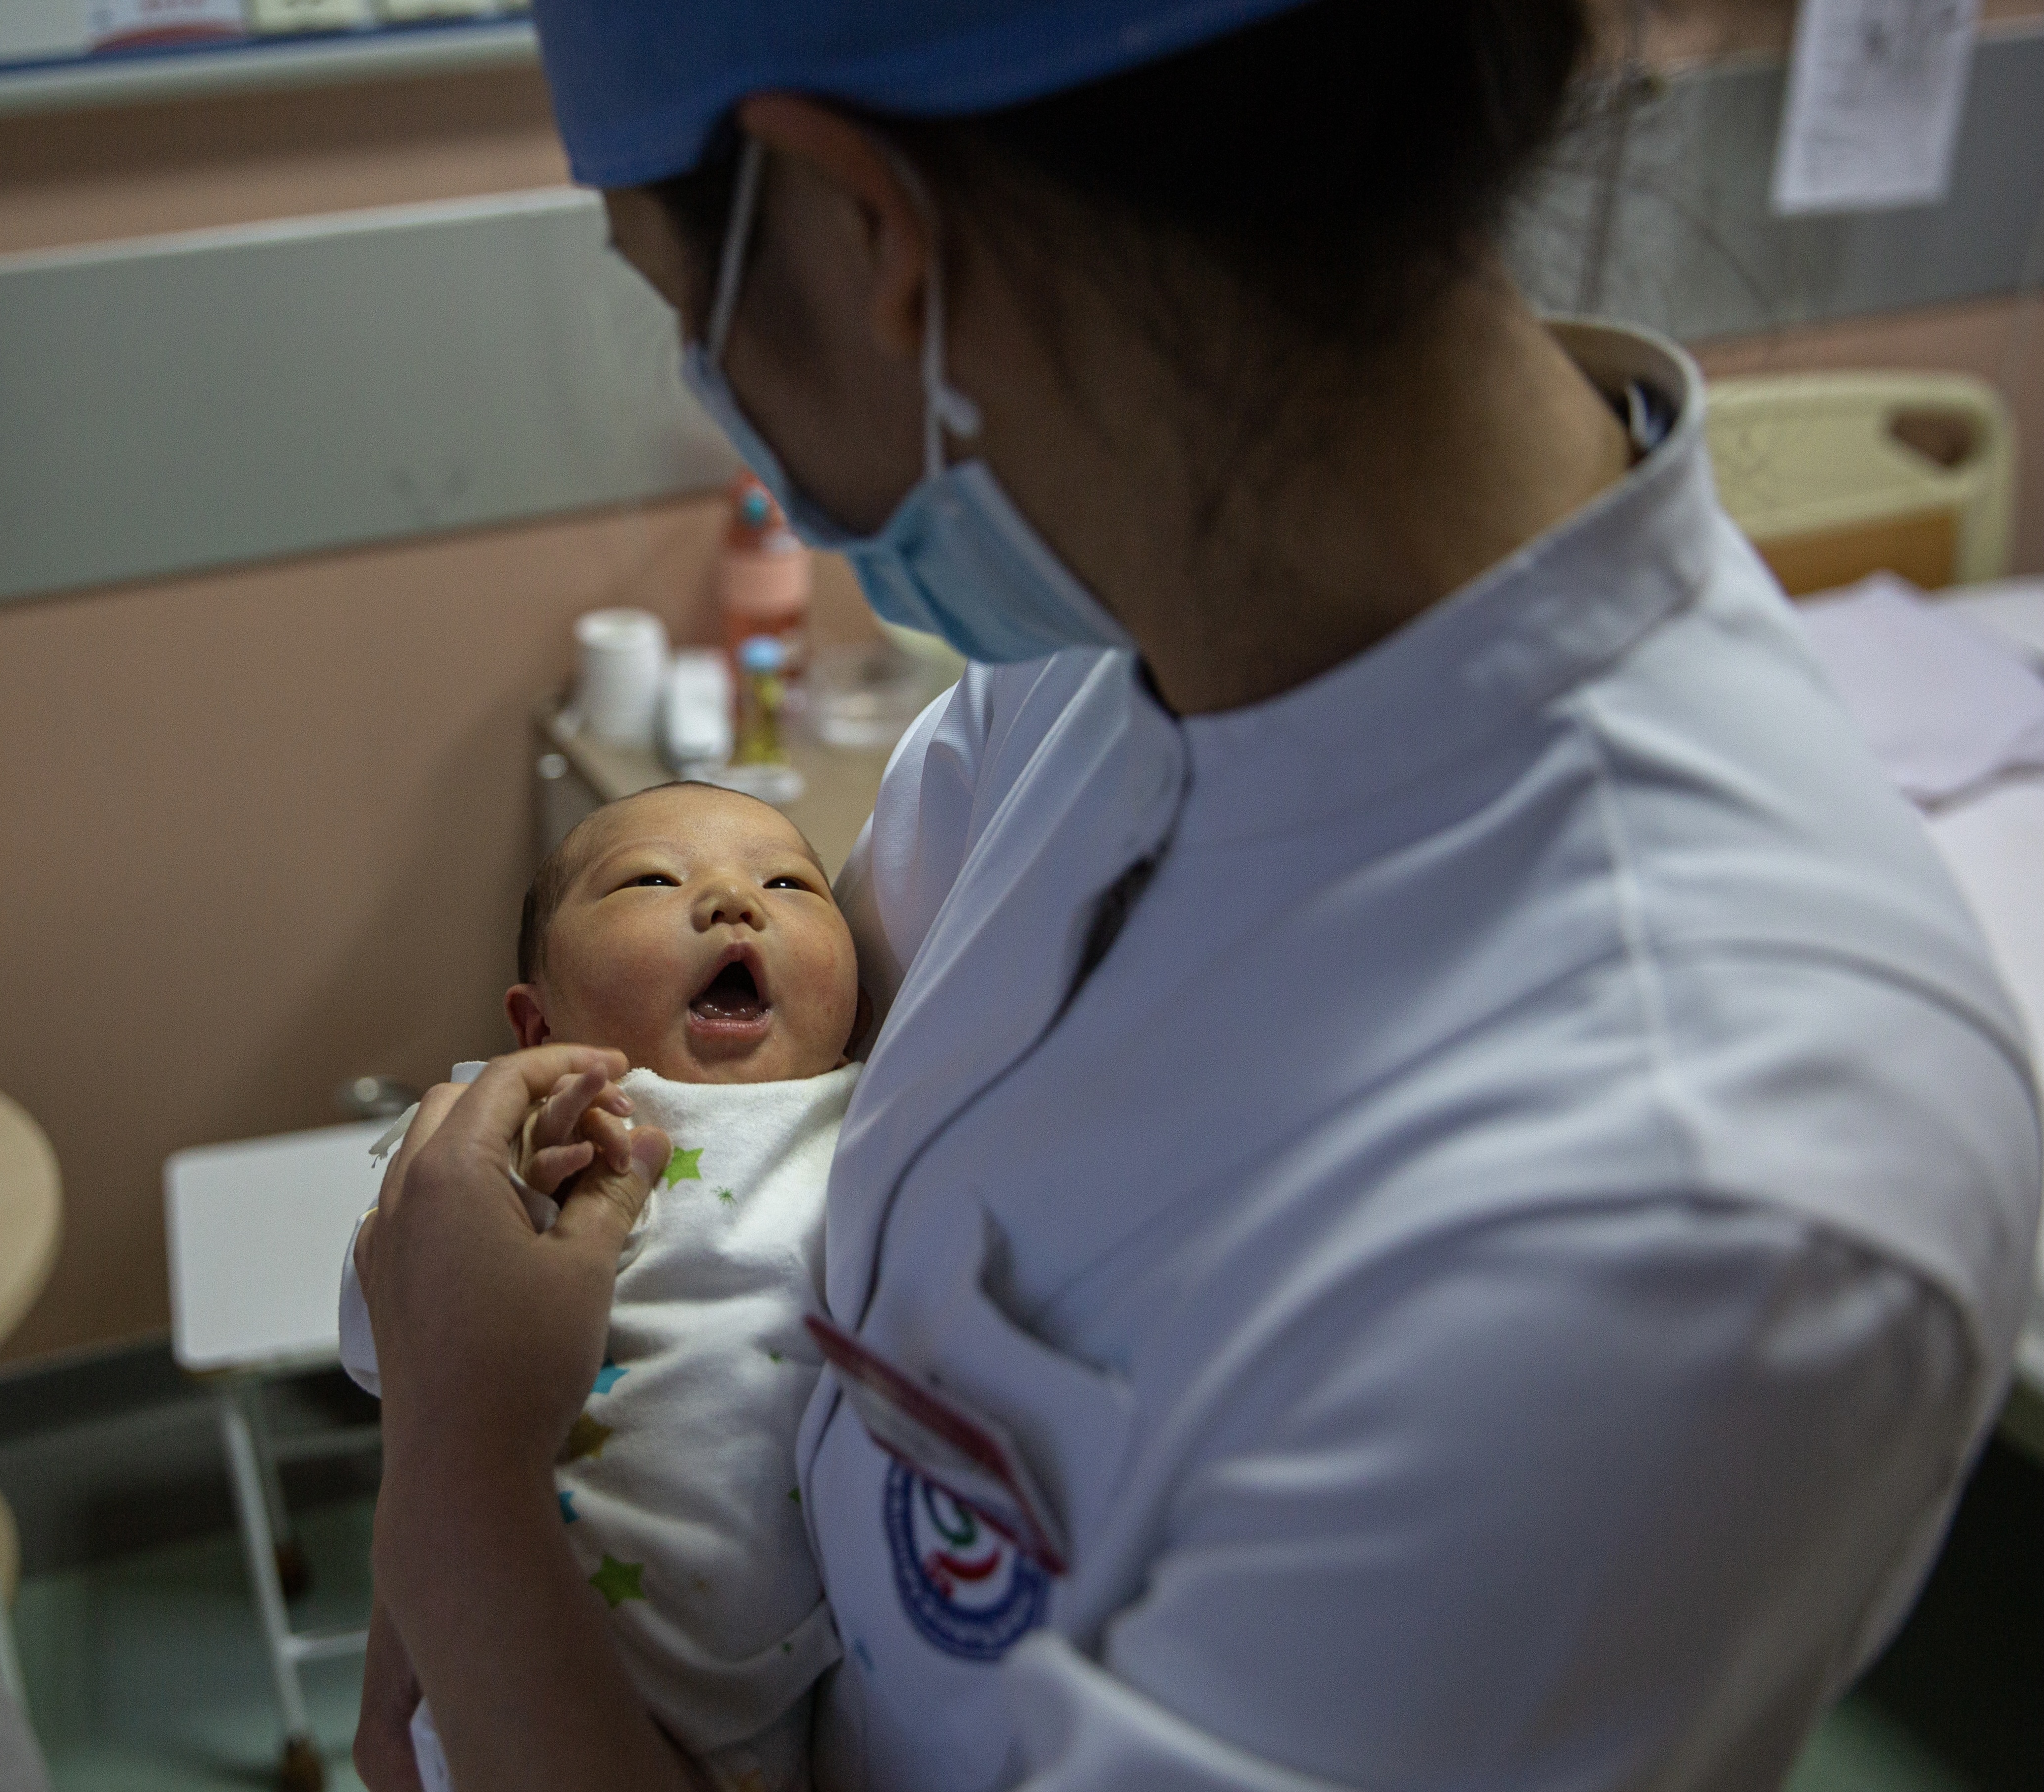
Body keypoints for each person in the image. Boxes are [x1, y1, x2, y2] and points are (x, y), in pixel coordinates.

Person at [352, 2, 2044, 1788]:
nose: (710, 375)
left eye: (678, 299)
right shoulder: (1097, 662)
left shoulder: (1687, 1208)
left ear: (868, 232)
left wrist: (458, 1494)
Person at [343, 783, 868, 1792]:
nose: (732, 902)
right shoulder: (534, 1126)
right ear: (537, 1020)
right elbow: (391, 1342)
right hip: (494, 1633)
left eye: (789, 883)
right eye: (652, 878)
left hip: (750, 1711)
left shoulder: (867, 1112)